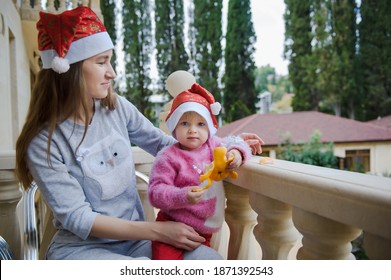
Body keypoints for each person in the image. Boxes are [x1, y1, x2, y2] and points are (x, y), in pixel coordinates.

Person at [15, 6, 263, 260]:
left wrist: (226, 145)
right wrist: (157, 230)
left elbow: (167, 145)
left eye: (109, 61)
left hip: (136, 242)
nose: (111, 72)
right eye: (101, 62)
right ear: (69, 69)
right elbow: (79, 217)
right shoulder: (43, 143)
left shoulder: (117, 107)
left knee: (209, 261)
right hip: (82, 250)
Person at [148, 84, 252, 260]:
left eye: (200, 123)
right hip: (170, 226)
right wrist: (183, 195)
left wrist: (236, 153)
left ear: (209, 127)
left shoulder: (213, 145)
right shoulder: (168, 157)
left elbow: (235, 142)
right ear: (174, 127)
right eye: (185, 123)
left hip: (203, 231)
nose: (193, 130)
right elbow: (155, 193)